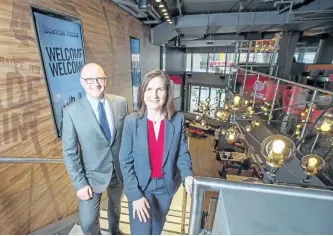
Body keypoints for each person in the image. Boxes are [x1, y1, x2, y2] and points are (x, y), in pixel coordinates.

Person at [119, 69, 194, 235]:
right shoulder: (132, 122)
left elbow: (182, 152)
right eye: (149, 89)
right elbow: (125, 161)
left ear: (167, 93)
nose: (154, 94)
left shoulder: (178, 120)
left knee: (157, 229)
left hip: (166, 187)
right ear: (142, 92)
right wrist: (135, 196)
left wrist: (188, 175)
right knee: (141, 232)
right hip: (140, 187)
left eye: (159, 89)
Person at [62, 63, 128, 235]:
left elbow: (125, 138)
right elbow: (69, 152)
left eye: (99, 78)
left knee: (115, 208)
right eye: (89, 79)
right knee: (88, 222)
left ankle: (114, 231)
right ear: (82, 82)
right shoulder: (71, 111)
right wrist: (80, 184)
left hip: (118, 172)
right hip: (91, 177)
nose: (95, 83)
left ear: (105, 80)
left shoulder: (120, 103)